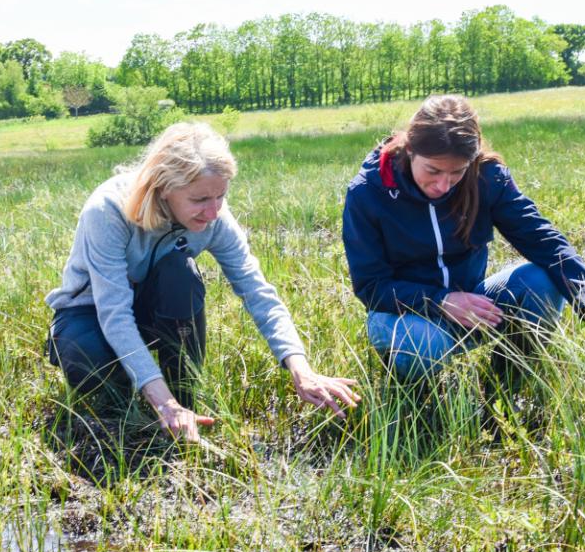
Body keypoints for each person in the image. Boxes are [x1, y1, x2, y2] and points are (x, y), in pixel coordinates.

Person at [46, 121, 360, 442]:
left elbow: (257, 290)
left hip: (149, 308)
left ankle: (184, 393)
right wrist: (162, 403)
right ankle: (139, 396)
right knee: (95, 372)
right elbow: (114, 313)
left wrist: (300, 368)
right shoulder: (109, 209)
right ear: (164, 187)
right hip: (91, 312)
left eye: (220, 196)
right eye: (199, 200)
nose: (212, 213)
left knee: (179, 274)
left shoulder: (215, 218)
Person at [342, 94, 585, 390]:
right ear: (410, 150)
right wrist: (441, 301)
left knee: (540, 281)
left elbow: (542, 239)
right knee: (425, 342)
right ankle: (416, 401)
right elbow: (371, 287)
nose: (443, 185)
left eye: (457, 172)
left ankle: (506, 390)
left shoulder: (487, 177)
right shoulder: (368, 192)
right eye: (433, 171)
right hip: (404, 319)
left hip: (474, 308)